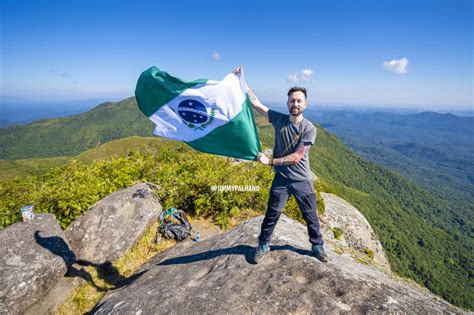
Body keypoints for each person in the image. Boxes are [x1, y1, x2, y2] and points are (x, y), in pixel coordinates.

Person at [232, 66, 328, 263]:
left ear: (306, 104)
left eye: (299, 101)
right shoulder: (279, 119)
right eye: (292, 100)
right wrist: (242, 80)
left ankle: (317, 245)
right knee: (271, 214)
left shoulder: (309, 128)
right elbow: (256, 103)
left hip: (301, 180)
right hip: (281, 180)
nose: (295, 103)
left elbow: (297, 157)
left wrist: (271, 162)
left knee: (310, 216)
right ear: (287, 102)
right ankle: (263, 244)